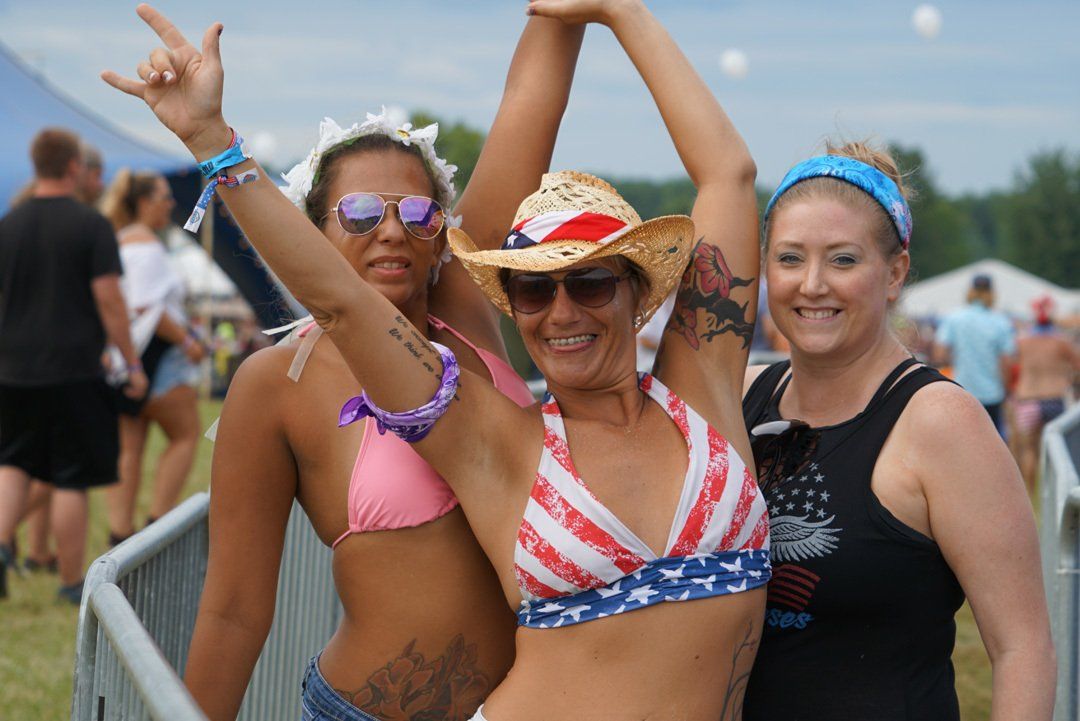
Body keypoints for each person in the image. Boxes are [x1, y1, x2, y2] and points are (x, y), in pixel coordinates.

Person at [104, 2, 769, 719]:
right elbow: (341, 309)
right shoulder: (473, 428)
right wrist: (214, 144)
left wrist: (609, 10)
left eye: (593, 279)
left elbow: (711, 169)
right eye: (536, 288)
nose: (563, 308)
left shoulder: (482, 317)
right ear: (317, 227)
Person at [741, 142, 1055, 719]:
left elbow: (1022, 649)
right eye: (789, 258)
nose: (811, 284)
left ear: (895, 273)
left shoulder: (938, 422)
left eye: (842, 260)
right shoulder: (743, 397)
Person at [0, 128, 147, 602]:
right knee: (71, 477)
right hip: (75, 367)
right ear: (72, 168)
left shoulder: (9, 224)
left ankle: (2, 547)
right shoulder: (91, 225)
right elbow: (109, 301)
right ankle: (68, 583)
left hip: (14, 368)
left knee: (13, 464)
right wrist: (132, 362)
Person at [99, 169, 206, 545]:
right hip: (160, 359)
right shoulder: (146, 246)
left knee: (129, 447)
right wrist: (188, 341)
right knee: (186, 434)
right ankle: (156, 522)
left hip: (127, 359)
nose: (171, 204)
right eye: (164, 197)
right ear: (144, 203)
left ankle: (120, 531)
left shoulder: (119, 242)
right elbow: (148, 306)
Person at [934, 274, 1016, 434]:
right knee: (992, 444)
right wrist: (1007, 389)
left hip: (963, 390)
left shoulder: (955, 318)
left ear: (971, 291)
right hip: (992, 394)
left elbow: (940, 354)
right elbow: (1006, 362)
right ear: (992, 293)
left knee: (963, 442)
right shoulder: (1001, 322)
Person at [1012, 296, 1079, 491]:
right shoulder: (1061, 342)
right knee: (1057, 451)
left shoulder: (1022, 341)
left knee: (1029, 450)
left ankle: (1030, 493)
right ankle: (1054, 492)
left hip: (1027, 399)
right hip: (1054, 397)